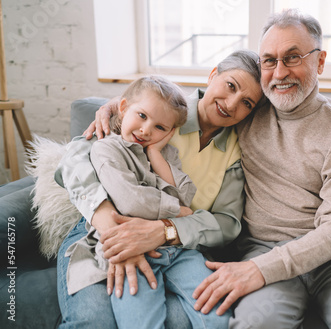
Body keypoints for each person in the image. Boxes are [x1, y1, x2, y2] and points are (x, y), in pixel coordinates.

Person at [188, 9, 331, 328]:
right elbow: (184, 108)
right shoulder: (247, 109)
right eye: (269, 60)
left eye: (292, 57)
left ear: (319, 62)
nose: (280, 73)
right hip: (264, 248)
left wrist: (261, 270)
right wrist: (115, 111)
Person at [54, 50, 264, 329]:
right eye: (230, 86)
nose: (232, 103)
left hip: (176, 245)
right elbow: (76, 156)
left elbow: (226, 224)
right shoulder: (160, 110)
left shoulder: (237, 151)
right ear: (213, 74)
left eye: (247, 102)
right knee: (95, 321)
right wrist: (107, 222)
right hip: (105, 226)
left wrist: (165, 230)